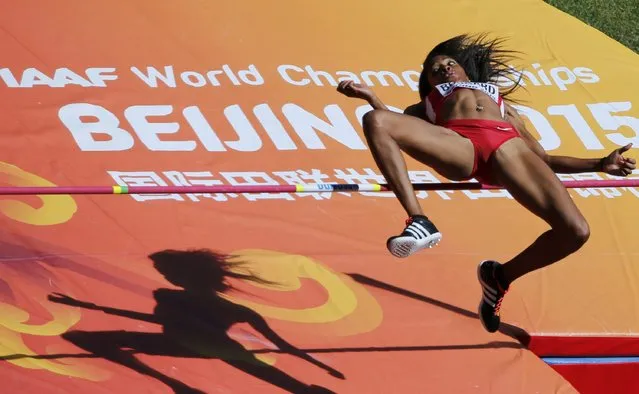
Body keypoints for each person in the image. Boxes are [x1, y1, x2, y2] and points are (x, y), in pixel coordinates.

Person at [336, 34, 636, 333]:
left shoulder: (500, 101)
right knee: (375, 119)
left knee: (576, 232)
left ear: (464, 68)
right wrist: (370, 98)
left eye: (450, 63)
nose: (444, 68)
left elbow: (542, 157)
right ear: (429, 82)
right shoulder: (424, 105)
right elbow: (395, 128)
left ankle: (500, 277)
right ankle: (419, 221)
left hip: (509, 150)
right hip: (459, 144)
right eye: (435, 69)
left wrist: (598, 164)